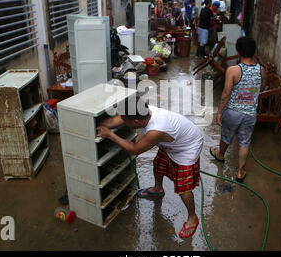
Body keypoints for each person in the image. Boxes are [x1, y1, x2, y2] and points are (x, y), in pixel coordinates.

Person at [96, 95, 204, 238]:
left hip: (188, 147)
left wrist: (110, 135)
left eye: (125, 120)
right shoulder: (141, 112)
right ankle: (158, 189)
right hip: (172, 143)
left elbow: (135, 149)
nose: (123, 121)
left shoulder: (156, 130)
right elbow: (112, 121)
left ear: (135, 121)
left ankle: (193, 218)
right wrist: (92, 122)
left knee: (183, 186)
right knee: (158, 164)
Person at [209, 37, 267, 183]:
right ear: (254, 52)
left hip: (233, 112)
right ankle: (240, 171)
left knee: (226, 135)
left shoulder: (233, 70)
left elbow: (226, 93)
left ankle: (220, 155)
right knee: (244, 142)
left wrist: (220, 111)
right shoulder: (261, 70)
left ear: (237, 51)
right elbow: (262, 87)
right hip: (250, 114)